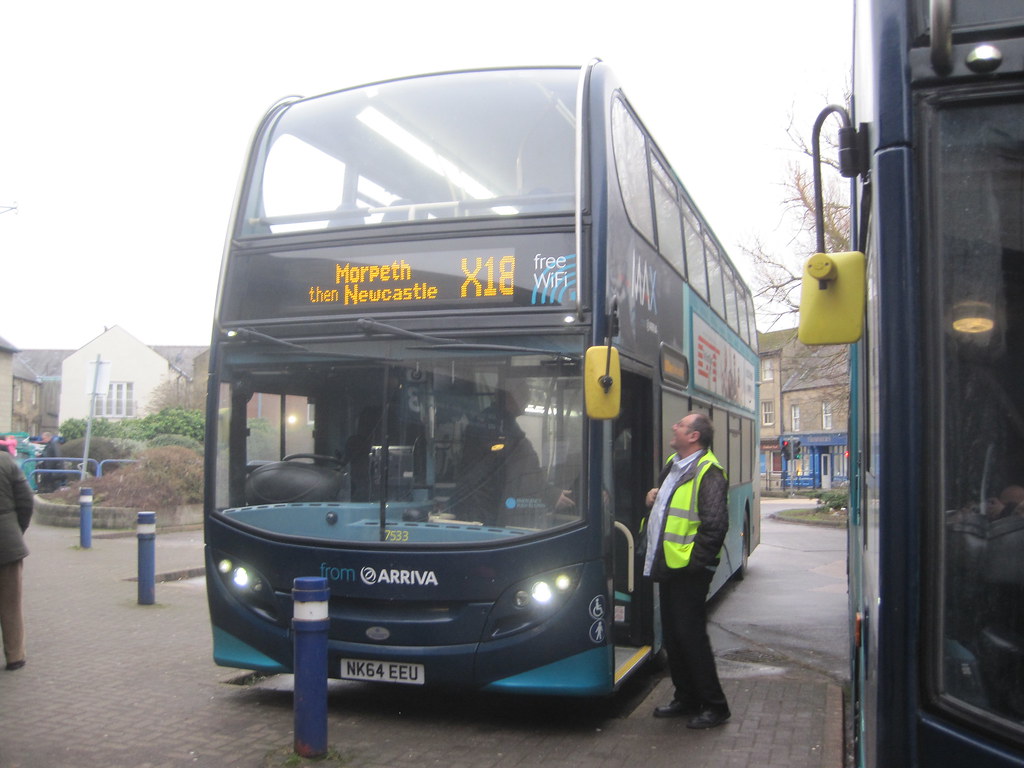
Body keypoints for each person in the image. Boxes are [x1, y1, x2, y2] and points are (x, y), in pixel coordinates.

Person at [643, 412, 731, 728]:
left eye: (680, 424)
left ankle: (715, 706)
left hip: (688, 570)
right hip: (668, 563)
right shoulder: (673, 465)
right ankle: (685, 698)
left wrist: (694, 566)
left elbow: (715, 525)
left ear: (694, 436)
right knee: (674, 636)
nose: (674, 426)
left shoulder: (709, 472)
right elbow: (667, 508)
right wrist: (652, 498)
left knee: (691, 636)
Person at [0, 447, 34, 671]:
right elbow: (26, 501)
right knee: (11, 603)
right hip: (7, 542)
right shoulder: (5, 461)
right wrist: (15, 529)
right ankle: (15, 656)